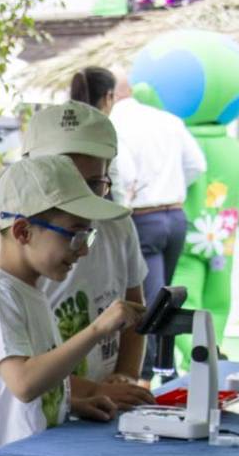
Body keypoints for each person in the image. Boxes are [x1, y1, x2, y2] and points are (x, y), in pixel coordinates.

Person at [0, 155, 143, 456]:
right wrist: (97, 329)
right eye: (74, 235)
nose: (82, 250)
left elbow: (24, 388)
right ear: (23, 231)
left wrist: (71, 402)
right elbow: (24, 383)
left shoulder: (32, 290)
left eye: (88, 236)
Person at [24, 101, 155, 420]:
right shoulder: (23, 253)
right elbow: (20, 373)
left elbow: (134, 314)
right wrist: (92, 391)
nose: (80, 198)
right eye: (66, 182)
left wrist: (123, 377)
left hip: (101, 409)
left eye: (93, 184)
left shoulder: (118, 225)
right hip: (41, 422)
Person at [106, 70, 206, 309]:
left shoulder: (113, 123)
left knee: (146, 303)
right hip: (175, 215)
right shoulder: (168, 120)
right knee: (163, 298)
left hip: (142, 218)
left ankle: (149, 348)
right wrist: (171, 185)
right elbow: (197, 165)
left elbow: (124, 173)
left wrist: (126, 199)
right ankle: (161, 347)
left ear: (108, 95)